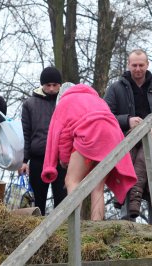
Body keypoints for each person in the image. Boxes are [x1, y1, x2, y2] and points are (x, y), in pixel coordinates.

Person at [41, 84, 137, 220]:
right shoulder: (98, 100)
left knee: (72, 181)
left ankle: (74, 226)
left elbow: (60, 135)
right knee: (97, 186)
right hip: (112, 138)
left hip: (89, 135)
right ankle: (96, 228)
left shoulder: (65, 102)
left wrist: (63, 160)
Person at [104, 48, 152, 224]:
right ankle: (126, 223)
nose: (138, 69)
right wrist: (127, 120)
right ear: (128, 65)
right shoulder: (116, 88)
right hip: (126, 143)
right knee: (127, 177)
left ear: (147, 65)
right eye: (134, 65)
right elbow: (105, 116)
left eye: (141, 65)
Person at [18, 66, 67, 216]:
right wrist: (24, 160)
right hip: (39, 157)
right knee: (37, 202)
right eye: (48, 85)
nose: (51, 89)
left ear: (60, 85)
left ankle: (63, 234)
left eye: (55, 85)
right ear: (42, 85)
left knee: (63, 201)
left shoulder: (66, 101)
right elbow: (25, 133)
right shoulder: (30, 104)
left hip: (61, 159)